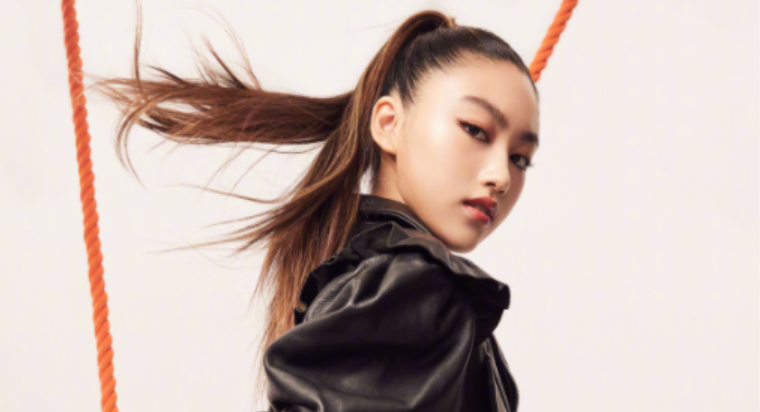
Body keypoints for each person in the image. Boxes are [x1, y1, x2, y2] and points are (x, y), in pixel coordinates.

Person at [89, 5, 539, 411]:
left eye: (520, 158)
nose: (501, 176)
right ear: (389, 124)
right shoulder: (416, 286)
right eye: (475, 130)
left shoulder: (371, 273)